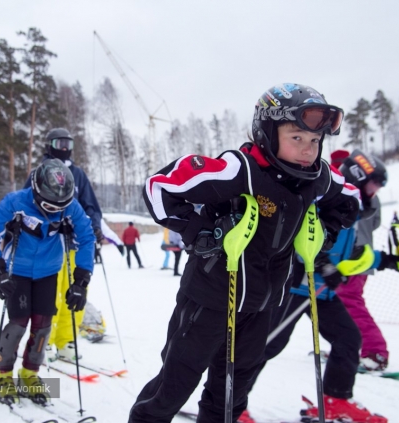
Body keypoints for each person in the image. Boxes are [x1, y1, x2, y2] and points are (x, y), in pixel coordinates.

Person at [129, 83, 360, 423]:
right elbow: (159, 186)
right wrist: (198, 232)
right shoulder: (239, 169)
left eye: (314, 141)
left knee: (230, 396)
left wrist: (325, 231)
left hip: (261, 308)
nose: (308, 150)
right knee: (174, 387)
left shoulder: (317, 177)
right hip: (207, 302)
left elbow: (352, 199)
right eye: (296, 137)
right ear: (268, 130)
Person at [240, 150, 399, 423]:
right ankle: (230, 404)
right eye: (374, 184)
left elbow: (353, 255)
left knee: (348, 339)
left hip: (322, 292)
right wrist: (321, 264)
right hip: (295, 286)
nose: (376, 191)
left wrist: (386, 260)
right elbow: (299, 232)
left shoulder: (352, 208)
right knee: (267, 344)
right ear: (359, 175)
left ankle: (336, 400)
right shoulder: (327, 195)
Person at [0, 158, 95, 405]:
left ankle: (29, 374)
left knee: (43, 324)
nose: (56, 210)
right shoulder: (15, 202)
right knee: (19, 322)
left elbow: (87, 237)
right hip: (17, 270)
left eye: (60, 207)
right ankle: (2, 375)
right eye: (50, 206)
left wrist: (81, 280)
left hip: (48, 270)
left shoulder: (71, 207)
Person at [25, 128, 103, 362]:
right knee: (48, 293)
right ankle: (44, 339)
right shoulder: (39, 172)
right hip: (48, 243)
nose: (65, 148)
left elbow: (90, 205)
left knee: (75, 291)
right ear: (49, 145)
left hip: (75, 243)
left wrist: (94, 226)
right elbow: (26, 204)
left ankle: (66, 340)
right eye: (60, 143)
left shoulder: (77, 174)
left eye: (69, 143)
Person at [335, 150, 391, 371]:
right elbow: (375, 222)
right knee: (338, 308)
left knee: (350, 305)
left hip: (353, 260)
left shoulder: (345, 194)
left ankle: (375, 351)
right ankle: (345, 348)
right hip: (356, 258)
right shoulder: (369, 199)